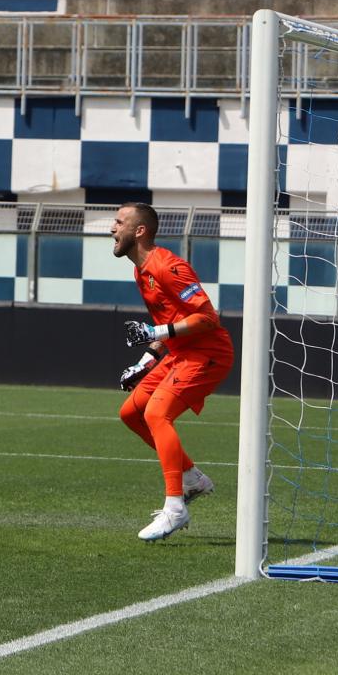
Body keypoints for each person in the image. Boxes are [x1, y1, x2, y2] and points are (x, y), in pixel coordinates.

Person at [112, 202, 233, 541]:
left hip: (208, 353)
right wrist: (145, 362)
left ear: (139, 231)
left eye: (119, 222)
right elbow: (170, 325)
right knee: (131, 413)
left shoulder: (168, 266)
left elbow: (208, 318)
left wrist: (155, 332)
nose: (112, 228)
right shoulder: (141, 271)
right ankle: (192, 478)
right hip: (180, 354)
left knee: (156, 414)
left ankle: (175, 508)